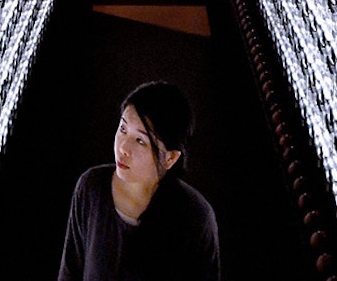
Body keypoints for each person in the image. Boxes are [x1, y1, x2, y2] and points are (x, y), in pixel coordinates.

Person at [59, 82, 220, 281]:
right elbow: (70, 272)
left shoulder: (196, 218)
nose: (123, 148)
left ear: (170, 158)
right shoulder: (91, 187)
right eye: (123, 129)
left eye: (140, 141)